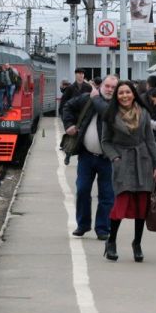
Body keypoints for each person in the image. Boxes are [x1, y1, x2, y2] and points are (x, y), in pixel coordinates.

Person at [101, 81, 156, 262]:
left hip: (143, 161)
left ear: (134, 94)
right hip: (122, 162)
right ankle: (111, 241)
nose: (124, 96)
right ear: (116, 96)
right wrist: (115, 158)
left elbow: (150, 140)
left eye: (127, 92)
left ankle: (137, 243)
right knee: (120, 204)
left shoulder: (143, 113)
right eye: (121, 93)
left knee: (142, 206)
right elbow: (105, 142)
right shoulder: (109, 115)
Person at [62, 75, 118, 240]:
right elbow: (67, 106)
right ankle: (83, 224)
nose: (109, 90)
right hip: (86, 155)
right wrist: (69, 125)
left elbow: (107, 114)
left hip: (108, 158)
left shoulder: (119, 105)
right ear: (101, 86)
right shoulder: (87, 99)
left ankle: (102, 228)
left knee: (107, 195)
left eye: (113, 88)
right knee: (83, 189)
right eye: (107, 86)